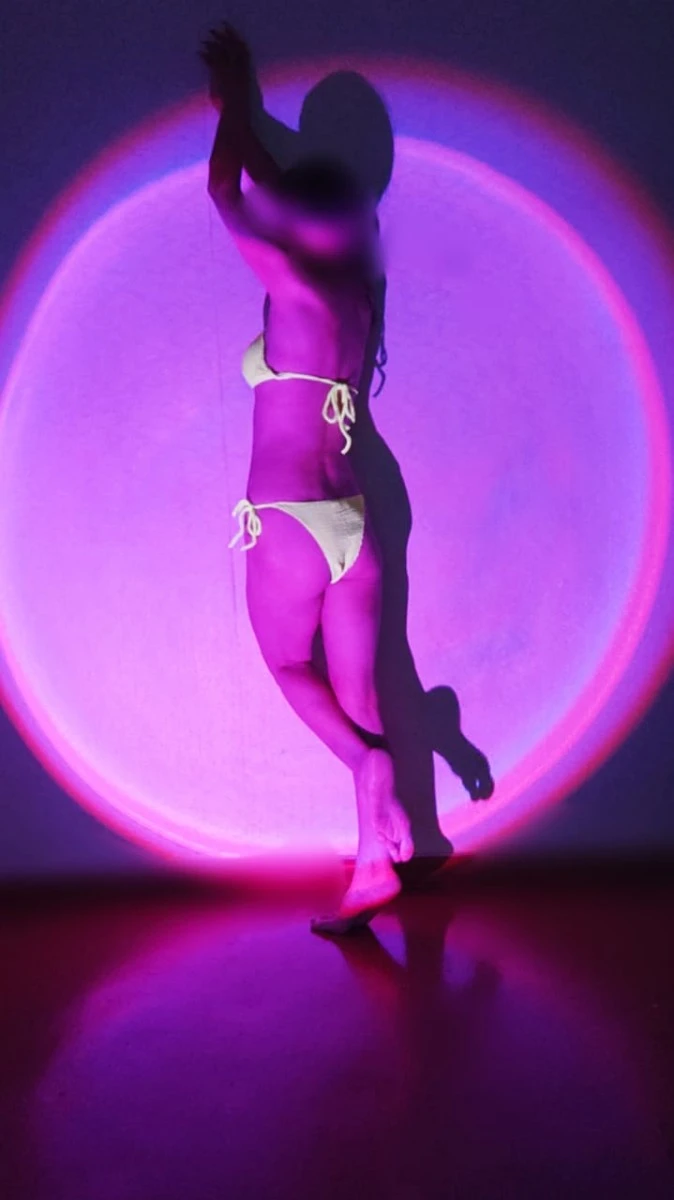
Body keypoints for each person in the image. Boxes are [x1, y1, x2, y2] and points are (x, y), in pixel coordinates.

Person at [200, 24, 413, 933]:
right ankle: (376, 862)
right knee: (357, 696)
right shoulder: (359, 292)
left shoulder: (290, 285)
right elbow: (277, 193)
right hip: (352, 518)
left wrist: (230, 106)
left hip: (288, 516)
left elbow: (225, 192)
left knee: (290, 666)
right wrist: (244, 114)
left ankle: (372, 774)